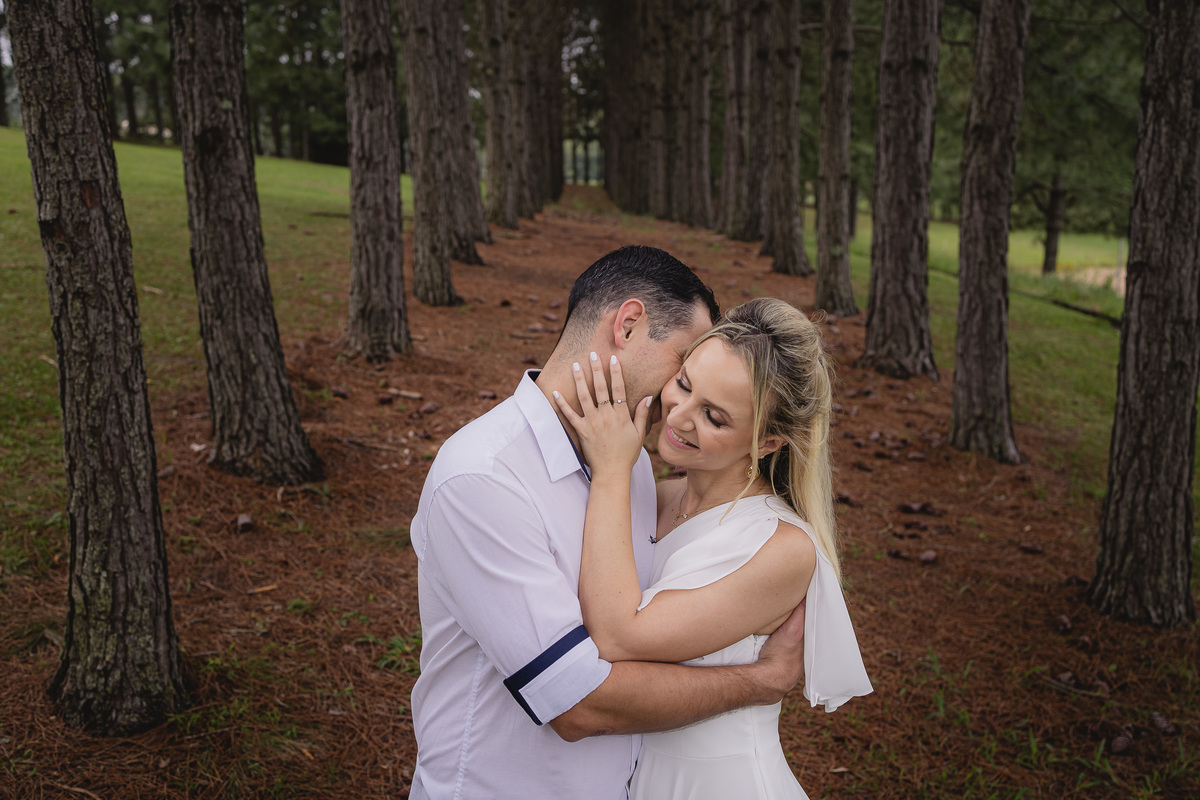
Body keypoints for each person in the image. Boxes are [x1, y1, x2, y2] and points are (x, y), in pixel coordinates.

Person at [409, 247, 811, 800]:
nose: (677, 399)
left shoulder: (631, 467)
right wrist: (760, 681)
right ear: (628, 325)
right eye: (684, 363)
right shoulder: (485, 477)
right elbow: (578, 704)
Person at [553, 297, 873, 799]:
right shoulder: (653, 499)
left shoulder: (781, 546)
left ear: (767, 443)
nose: (679, 416)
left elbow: (616, 637)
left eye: (715, 417)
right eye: (683, 385)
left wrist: (613, 468)